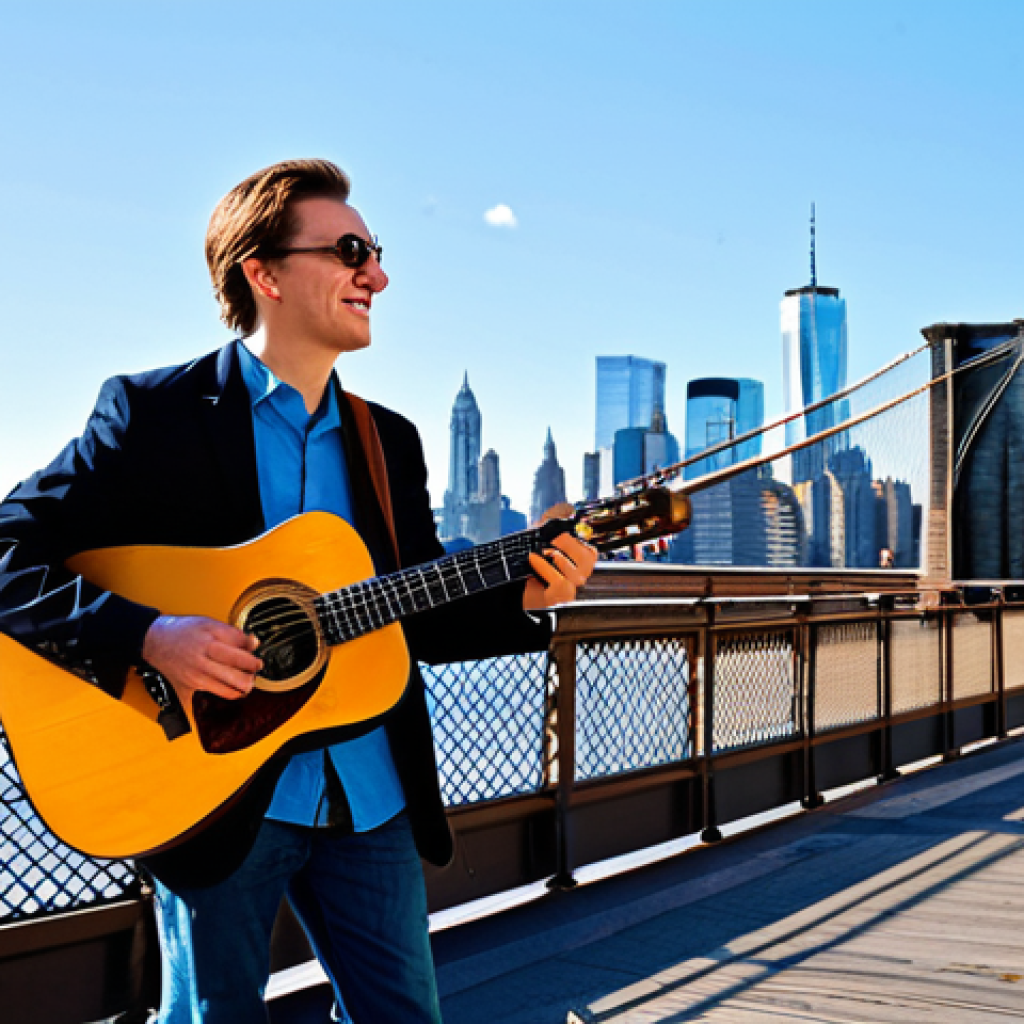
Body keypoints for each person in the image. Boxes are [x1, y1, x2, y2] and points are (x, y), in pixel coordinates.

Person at [0, 158, 597, 1023]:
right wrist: (149, 635)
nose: (376, 275)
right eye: (350, 250)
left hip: (370, 795)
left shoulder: (387, 439)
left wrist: (528, 598)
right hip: (214, 790)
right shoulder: (151, 415)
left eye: (376, 252)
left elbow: (409, 609)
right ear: (263, 273)